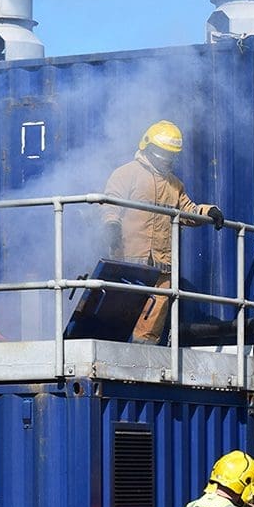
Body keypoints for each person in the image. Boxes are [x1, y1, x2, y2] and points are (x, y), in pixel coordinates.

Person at [102, 120, 225, 344]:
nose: (166, 158)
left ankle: (144, 356)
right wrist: (111, 224)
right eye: (163, 152)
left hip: (162, 264)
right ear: (148, 147)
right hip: (130, 260)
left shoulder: (174, 185)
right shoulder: (127, 174)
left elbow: (189, 211)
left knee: (154, 313)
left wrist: (209, 212)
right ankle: (114, 346)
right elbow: (111, 203)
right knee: (123, 307)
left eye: (170, 153)